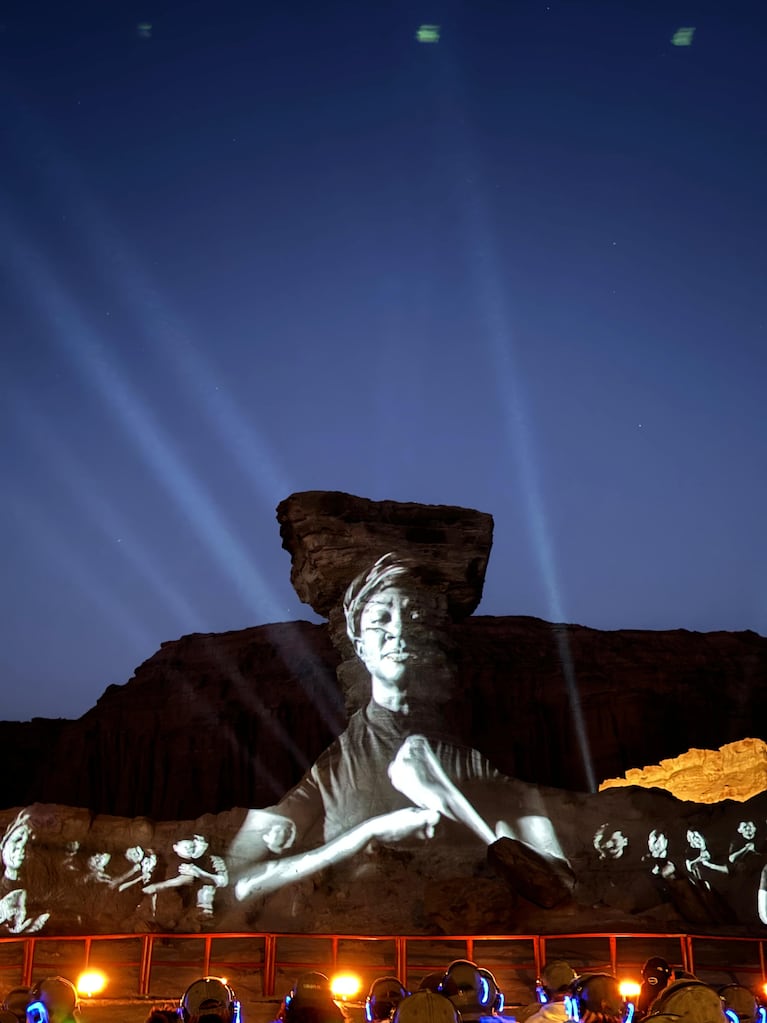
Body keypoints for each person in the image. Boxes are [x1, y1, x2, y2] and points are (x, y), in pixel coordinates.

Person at [233, 553, 567, 901]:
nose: (398, 631)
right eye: (380, 620)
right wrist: (367, 834)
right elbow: (240, 883)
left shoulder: (479, 767)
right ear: (360, 647)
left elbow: (559, 882)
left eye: (414, 617)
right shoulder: (331, 770)